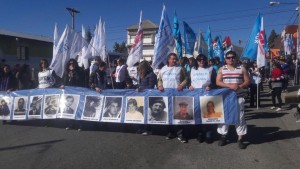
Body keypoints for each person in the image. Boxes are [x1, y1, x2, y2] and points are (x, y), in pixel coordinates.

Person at [216, 51, 250, 149]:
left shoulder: (242, 68)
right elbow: (218, 82)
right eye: (228, 57)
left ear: (236, 58)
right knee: (224, 115)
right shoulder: (222, 69)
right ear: (225, 59)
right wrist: (229, 86)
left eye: (233, 57)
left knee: (240, 116)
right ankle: (223, 136)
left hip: (238, 95)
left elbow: (247, 80)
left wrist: (240, 86)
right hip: (226, 96)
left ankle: (240, 138)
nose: (231, 59)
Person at [157, 53, 188, 143]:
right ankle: (170, 132)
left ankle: (180, 134)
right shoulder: (163, 69)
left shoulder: (180, 68)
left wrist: (182, 85)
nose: (174, 60)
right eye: (173, 59)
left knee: (178, 114)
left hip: (177, 94)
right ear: (168, 60)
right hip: (166, 95)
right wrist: (159, 85)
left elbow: (186, 78)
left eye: (175, 59)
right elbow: (159, 79)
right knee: (168, 114)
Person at [189, 54, 217, 143]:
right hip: (195, 95)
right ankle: (199, 133)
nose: (201, 61)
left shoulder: (211, 69)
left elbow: (215, 82)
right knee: (197, 114)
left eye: (203, 60)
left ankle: (208, 133)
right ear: (196, 61)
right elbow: (189, 81)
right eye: (199, 60)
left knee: (208, 114)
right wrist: (189, 86)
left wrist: (211, 86)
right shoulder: (192, 69)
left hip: (207, 94)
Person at [136, 60, 157, 135]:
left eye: (141, 68)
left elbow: (151, 87)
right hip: (141, 96)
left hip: (148, 97)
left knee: (148, 113)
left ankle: (148, 129)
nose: (139, 70)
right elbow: (141, 84)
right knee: (140, 112)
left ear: (144, 68)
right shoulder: (142, 75)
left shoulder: (151, 75)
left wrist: (141, 89)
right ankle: (141, 128)